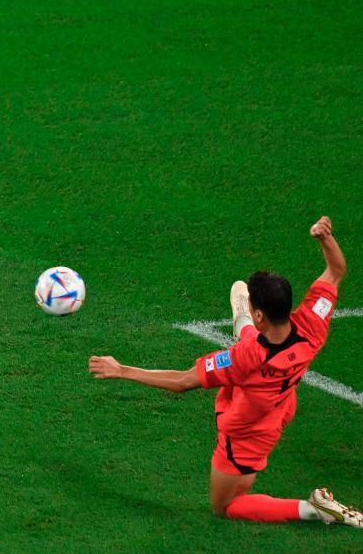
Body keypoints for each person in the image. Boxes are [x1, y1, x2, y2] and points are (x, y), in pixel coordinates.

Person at [88, 216, 360, 527]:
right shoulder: (312, 324)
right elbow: (336, 271)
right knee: (252, 343)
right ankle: (241, 321)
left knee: (226, 505)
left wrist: (121, 369)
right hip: (280, 405)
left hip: (248, 434)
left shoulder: (244, 358)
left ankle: (313, 509)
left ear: (262, 314)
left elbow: (183, 381)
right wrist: (325, 238)